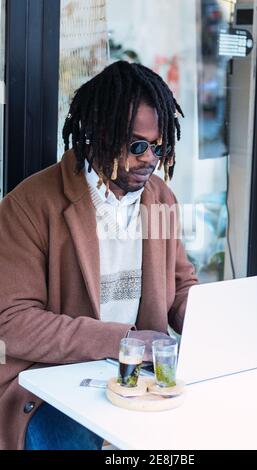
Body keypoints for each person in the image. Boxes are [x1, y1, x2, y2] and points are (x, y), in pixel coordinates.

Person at [0, 60, 199, 450]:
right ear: (98, 135)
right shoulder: (30, 204)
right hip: (51, 383)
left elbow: (179, 289)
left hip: (137, 380)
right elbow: (12, 322)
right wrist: (124, 340)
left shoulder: (159, 200)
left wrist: (214, 321)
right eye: (137, 145)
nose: (149, 159)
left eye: (158, 147)